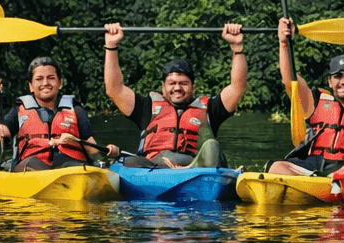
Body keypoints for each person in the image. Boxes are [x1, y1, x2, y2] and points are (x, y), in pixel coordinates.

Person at [103, 22, 247, 167]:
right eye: (172, 83)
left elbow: (237, 87)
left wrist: (237, 48)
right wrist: (111, 46)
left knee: (212, 146)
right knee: (129, 162)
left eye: (183, 83)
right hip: (156, 168)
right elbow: (114, 89)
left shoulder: (210, 109)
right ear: (163, 87)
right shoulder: (146, 107)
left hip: (196, 169)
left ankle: (204, 180)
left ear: (193, 87)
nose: (177, 88)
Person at [267, 18, 344, 176]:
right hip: (315, 163)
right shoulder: (316, 101)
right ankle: (309, 187)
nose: (343, 82)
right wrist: (284, 44)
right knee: (276, 167)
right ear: (330, 81)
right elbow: (290, 81)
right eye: (337, 76)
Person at [0, 57, 119, 170]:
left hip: (71, 168)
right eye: (39, 79)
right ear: (30, 86)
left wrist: (106, 152)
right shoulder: (18, 111)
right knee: (33, 164)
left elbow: (91, 148)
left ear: (60, 83)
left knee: (71, 165)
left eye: (51, 78)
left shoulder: (76, 110)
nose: (45, 83)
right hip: (32, 166)